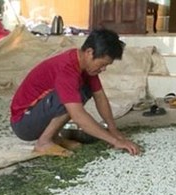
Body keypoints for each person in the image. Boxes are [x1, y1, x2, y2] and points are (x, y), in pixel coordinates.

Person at [10, 28, 141, 157]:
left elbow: (100, 97)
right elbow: (77, 115)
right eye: (102, 64)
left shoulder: (87, 67)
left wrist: (113, 130)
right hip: (23, 122)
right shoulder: (67, 69)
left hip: (37, 115)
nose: (104, 69)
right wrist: (115, 141)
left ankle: (54, 138)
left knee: (83, 89)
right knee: (68, 97)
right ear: (89, 52)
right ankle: (43, 143)